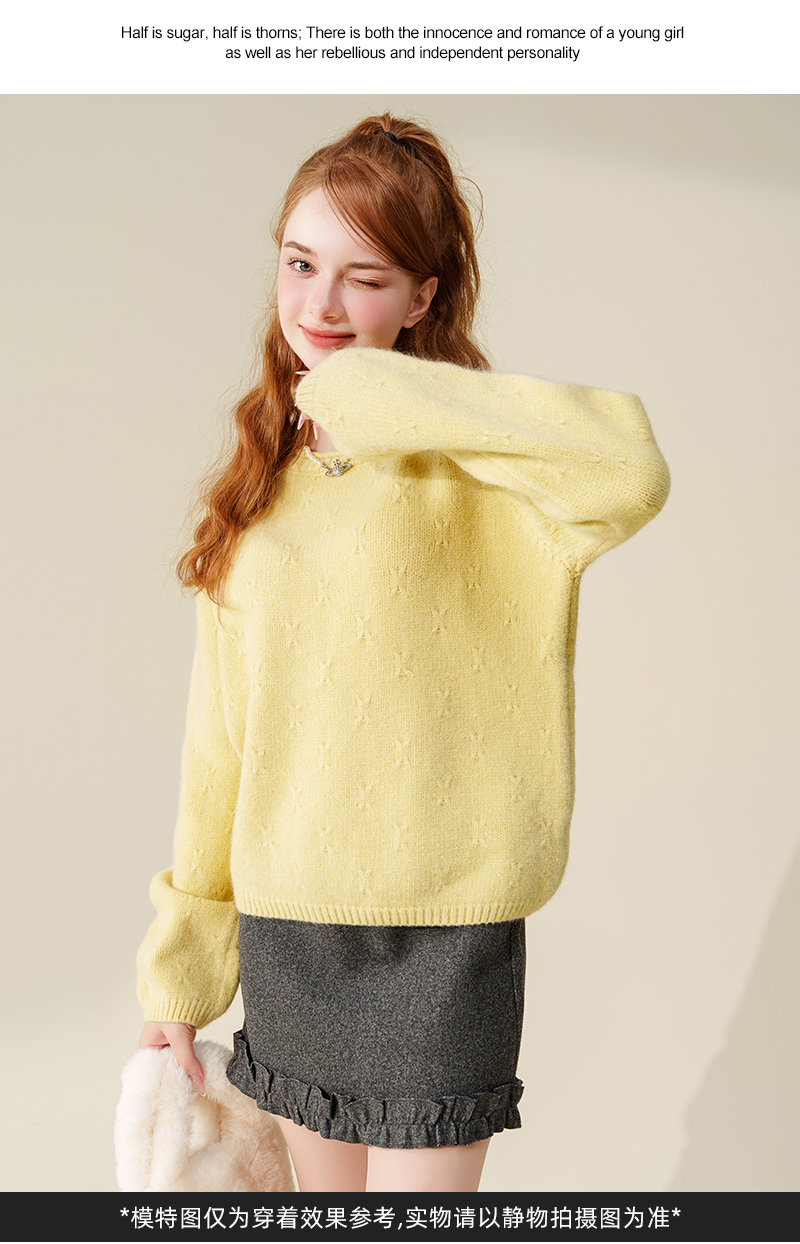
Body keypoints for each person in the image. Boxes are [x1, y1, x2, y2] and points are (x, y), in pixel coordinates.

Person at [136, 113, 670, 1194]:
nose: (320, 305)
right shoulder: (256, 497)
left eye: (365, 277)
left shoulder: (492, 481)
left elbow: (629, 469)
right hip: (292, 932)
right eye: (300, 264)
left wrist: (377, 391)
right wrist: (181, 976)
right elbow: (218, 751)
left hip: (447, 927)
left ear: (423, 297)